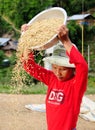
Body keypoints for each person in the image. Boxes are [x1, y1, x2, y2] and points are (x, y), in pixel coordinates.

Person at [21, 24, 88, 130]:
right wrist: (26, 39)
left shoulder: (76, 84)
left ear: (73, 68)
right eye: (55, 67)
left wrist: (66, 41)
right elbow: (30, 67)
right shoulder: (52, 78)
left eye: (63, 69)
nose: (58, 73)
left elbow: (83, 66)